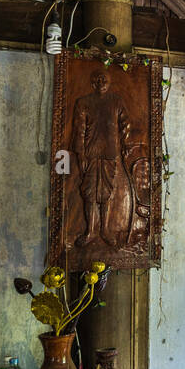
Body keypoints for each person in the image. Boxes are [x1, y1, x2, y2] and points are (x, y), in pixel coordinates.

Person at [72, 70, 131, 247]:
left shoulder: (116, 101)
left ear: (109, 82)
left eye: (104, 79)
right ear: (92, 83)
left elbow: (125, 124)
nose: (101, 82)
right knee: (88, 192)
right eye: (97, 79)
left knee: (106, 192)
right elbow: (79, 129)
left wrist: (125, 143)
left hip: (109, 152)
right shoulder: (83, 102)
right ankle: (89, 230)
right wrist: (80, 153)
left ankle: (104, 230)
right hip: (89, 153)